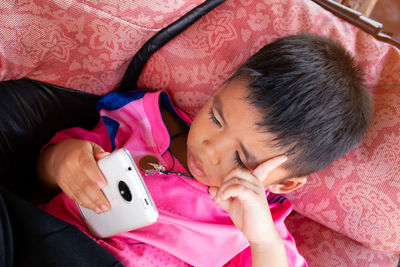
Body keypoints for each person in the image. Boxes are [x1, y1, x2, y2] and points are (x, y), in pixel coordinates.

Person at [36, 33, 372, 267]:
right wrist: (61, 159)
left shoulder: (254, 230)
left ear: (282, 183)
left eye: (241, 158)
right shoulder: (144, 122)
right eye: (214, 117)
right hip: (43, 235)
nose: (210, 149)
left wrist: (261, 239)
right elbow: (46, 169)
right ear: (218, 89)